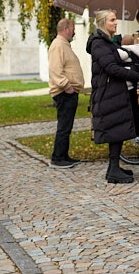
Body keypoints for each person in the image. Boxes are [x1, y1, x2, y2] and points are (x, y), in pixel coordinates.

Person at [86, 9, 139, 184]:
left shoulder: (107, 42)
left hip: (114, 93)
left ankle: (114, 168)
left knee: (117, 130)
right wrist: (135, 75)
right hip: (107, 93)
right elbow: (111, 68)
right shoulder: (98, 43)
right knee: (115, 131)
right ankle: (112, 170)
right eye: (112, 20)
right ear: (103, 23)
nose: (116, 22)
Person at [48, 18, 85, 169]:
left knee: (66, 126)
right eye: (73, 28)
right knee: (64, 126)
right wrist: (67, 86)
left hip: (69, 91)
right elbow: (55, 70)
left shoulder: (64, 45)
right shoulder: (58, 45)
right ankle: (57, 158)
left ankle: (64, 156)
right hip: (64, 92)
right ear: (66, 29)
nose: (75, 31)